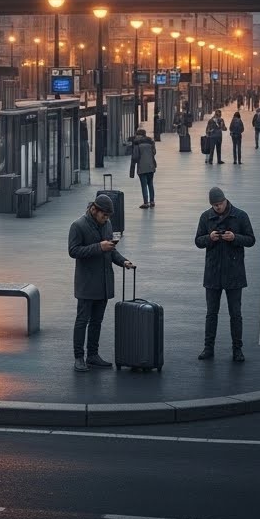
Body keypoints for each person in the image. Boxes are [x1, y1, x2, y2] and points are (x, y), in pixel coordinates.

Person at [67, 194, 135, 372]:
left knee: (97, 321)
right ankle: (78, 358)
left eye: (108, 216)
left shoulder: (107, 224)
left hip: (104, 282)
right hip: (87, 283)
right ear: (94, 210)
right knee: (82, 321)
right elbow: (73, 251)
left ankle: (93, 355)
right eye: (104, 215)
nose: (107, 219)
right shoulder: (78, 225)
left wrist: (123, 261)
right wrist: (99, 247)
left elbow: (111, 250)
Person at [194, 187, 256, 362]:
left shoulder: (240, 216)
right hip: (213, 273)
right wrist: (209, 238)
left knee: (235, 314)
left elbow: (251, 239)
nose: (217, 208)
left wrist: (235, 237)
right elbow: (198, 241)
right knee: (211, 313)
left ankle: (237, 350)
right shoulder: (206, 217)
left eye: (219, 204)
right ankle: (208, 348)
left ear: (225, 200)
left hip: (234, 273)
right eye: (214, 205)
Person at [130, 127, 157, 208]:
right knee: (150, 184)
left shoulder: (137, 143)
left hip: (142, 167)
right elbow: (154, 152)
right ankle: (152, 201)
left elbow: (135, 156)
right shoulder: (150, 142)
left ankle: (146, 203)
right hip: (151, 166)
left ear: (138, 135)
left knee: (144, 185)